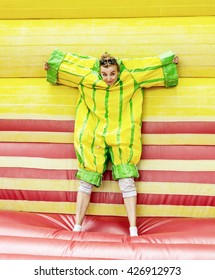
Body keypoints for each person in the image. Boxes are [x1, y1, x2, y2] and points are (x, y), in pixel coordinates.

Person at [44, 49, 179, 236]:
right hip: (92, 133)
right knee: (86, 180)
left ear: (118, 71)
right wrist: (53, 68)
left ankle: (133, 229)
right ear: (99, 72)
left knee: (127, 180)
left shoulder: (130, 77)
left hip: (122, 134)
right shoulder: (87, 78)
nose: (109, 78)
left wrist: (168, 63)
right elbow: (69, 67)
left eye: (113, 73)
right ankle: (77, 227)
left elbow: (149, 65)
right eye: (105, 74)